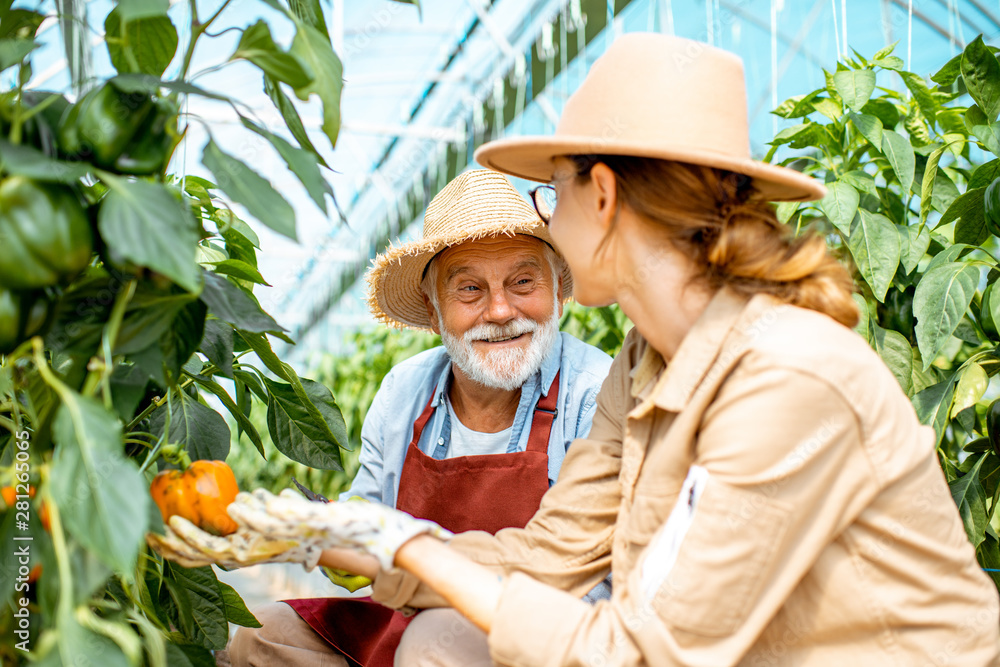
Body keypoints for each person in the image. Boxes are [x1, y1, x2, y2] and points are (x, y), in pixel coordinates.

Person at [156, 34, 1000, 665]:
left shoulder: (787, 376)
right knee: (432, 637)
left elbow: (644, 651)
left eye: (549, 188)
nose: (546, 212)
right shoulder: (646, 362)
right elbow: (547, 552)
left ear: (601, 194)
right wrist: (340, 532)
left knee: (442, 642)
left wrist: (402, 543)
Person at [170, 169, 613, 667]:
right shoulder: (405, 390)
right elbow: (367, 518)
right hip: (406, 612)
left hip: (533, 631)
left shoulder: (595, 393)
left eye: (523, 281)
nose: (500, 309)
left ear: (556, 290)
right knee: (261, 636)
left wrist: (442, 594)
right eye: (469, 289)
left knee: (437, 638)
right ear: (433, 308)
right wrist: (310, 534)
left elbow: (596, 584)